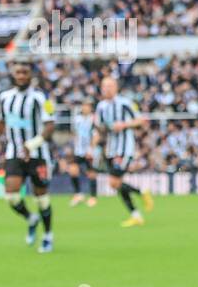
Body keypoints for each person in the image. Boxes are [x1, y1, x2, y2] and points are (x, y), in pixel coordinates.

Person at [0, 60, 56, 253]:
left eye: (25, 72)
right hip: (14, 153)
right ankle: (31, 219)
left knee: (41, 199)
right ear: (13, 75)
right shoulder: (5, 97)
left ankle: (48, 235)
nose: (21, 76)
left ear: (31, 75)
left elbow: (50, 125)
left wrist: (33, 144)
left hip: (37, 155)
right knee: (12, 196)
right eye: (18, 73)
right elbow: (2, 122)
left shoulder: (42, 98)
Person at [94, 76, 154, 227]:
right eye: (104, 86)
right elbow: (99, 127)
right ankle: (137, 212)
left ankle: (140, 199)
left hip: (124, 149)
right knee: (116, 184)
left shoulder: (125, 103)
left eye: (109, 86)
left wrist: (124, 124)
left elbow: (141, 120)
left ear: (116, 88)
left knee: (114, 182)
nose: (106, 89)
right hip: (110, 149)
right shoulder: (101, 106)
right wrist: (95, 139)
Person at [66, 101, 98, 207]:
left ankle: (93, 197)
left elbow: (96, 135)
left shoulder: (94, 119)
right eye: (84, 106)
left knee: (91, 173)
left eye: (87, 106)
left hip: (89, 151)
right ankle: (78, 194)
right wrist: (72, 147)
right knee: (73, 170)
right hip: (78, 150)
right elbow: (75, 133)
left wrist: (91, 149)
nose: (85, 108)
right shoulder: (77, 119)